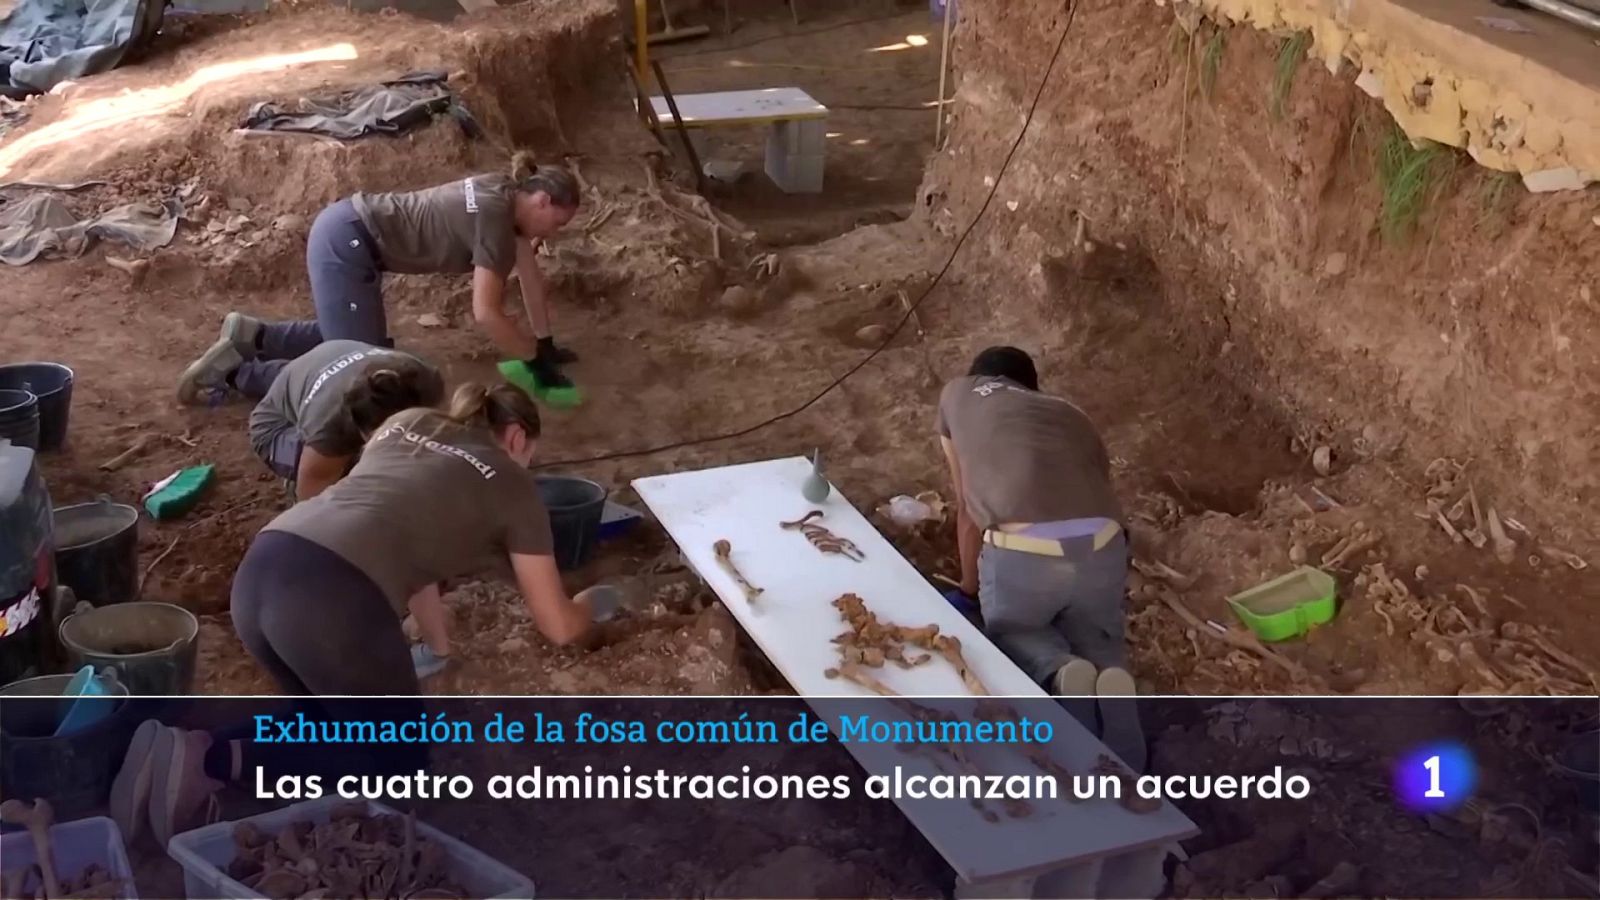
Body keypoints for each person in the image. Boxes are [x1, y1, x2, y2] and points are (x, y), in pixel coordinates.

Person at [110, 382, 598, 845]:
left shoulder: (409, 422)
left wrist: (437, 643)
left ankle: (179, 750)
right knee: (401, 765)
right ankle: (208, 762)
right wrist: (597, 608)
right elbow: (558, 627)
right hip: (331, 599)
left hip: (265, 567)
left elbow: (402, 527)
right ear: (517, 437)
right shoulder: (512, 481)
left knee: (324, 717)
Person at [176, 152, 582, 406]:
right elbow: (486, 313)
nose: (555, 231)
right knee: (360, 375)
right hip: (348, 243)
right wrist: (533, 362)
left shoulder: (504, 191)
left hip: (348, 230)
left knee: (350, 336)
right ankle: (234, 372)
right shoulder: (495, 221)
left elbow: (528, 272)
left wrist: (543, 342)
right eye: (558, 222)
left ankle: (256, 336)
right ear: (542, 201)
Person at [936, 346, 1145, 772]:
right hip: (1103, 543)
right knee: (1096, 631)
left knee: (1018, 630)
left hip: (1024, 551)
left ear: (978, 376)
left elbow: (967, 509)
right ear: (1031, 387)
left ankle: (1059, 672)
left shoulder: (957, 395)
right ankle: (1109, 676)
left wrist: (969, 590)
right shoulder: (1069, 413)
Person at [236, 340, 444, 500]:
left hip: (320, 363)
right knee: (359, 475)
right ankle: (296, 470)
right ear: (359, 430)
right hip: (276, 427)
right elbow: (312, 504)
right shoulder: (332, 428)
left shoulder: (425, 380)